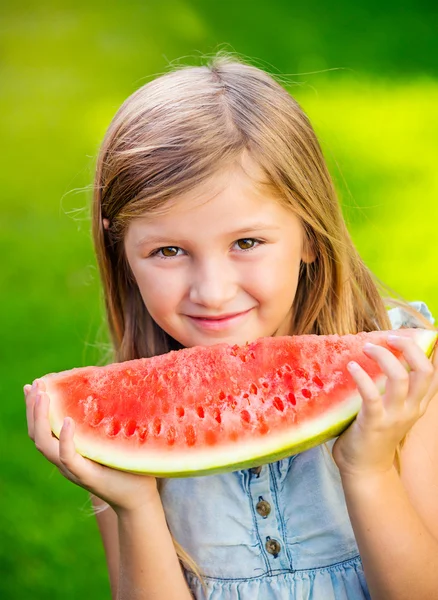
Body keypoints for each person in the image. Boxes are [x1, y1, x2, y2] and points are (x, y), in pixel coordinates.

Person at [24, 55, 438, 600]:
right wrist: (135, 502)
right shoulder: (116, 431)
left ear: (310, 234)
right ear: (122, 254)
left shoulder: (398, 371)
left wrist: (369, 468)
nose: (212, 290)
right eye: (168, 251)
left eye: (246, 243)